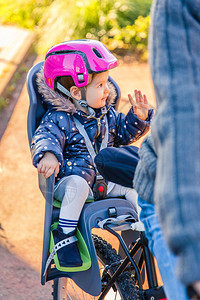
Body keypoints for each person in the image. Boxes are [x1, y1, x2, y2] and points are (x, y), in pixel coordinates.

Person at [31, 39, 153, 268]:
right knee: (76, 186)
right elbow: (45, 135)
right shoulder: (59, 118)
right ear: (76, 92)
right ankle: (65, 236)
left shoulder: (106, 114)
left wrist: (138, 118)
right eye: (100, 85)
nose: (108, 90)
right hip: (72, 183)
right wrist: (49, 155)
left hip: (106, 181)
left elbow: (124, 134)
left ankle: (147, 226)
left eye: (107, 83)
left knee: (136, 185)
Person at [133, 0, 200, 298]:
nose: (106, 91)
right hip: (178, 179)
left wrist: (137, 119)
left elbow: (124, 129)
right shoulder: (180, 5)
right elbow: (183, 117)